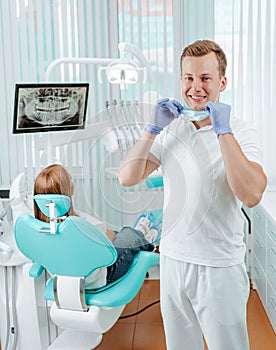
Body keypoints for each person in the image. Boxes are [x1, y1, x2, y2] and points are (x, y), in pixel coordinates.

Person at [118, 40, 267, 350]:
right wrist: (151, 129)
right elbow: (127, 176)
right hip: (173, 262)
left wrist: (222, 131)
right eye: (188, 77)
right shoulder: (173, 130)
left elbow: (252, 193)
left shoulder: (240, 132)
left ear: (222, 82)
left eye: (205, 78)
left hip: (218, 268)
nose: (195, 87)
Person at [33, 163, 157, 289]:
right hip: (102, 276)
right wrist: (108, 235)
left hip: (62, 280)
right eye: (70, 180)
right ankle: (147, 238)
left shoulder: (40, 229)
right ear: (69, 190)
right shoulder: (84, 226)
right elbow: (106, 254)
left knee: (116, 233)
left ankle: (139, 232)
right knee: (128, 233)